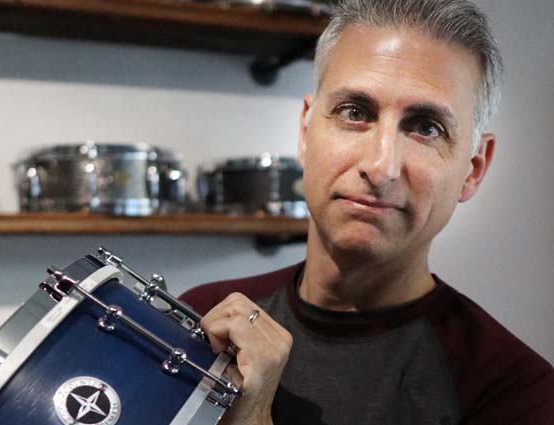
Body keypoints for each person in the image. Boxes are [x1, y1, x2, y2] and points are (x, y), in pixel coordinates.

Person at [180, 0, 554, 424]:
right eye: (354, 113)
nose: (380, 166)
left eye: (426, 127)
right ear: (305, 132)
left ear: (473, 169)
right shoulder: (205, 315)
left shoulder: (515, 392)